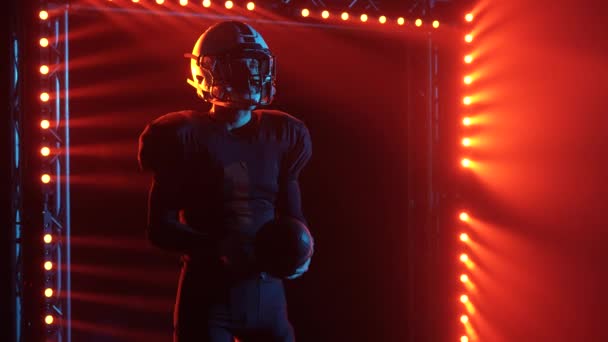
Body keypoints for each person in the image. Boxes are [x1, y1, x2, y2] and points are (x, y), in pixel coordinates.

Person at [137, 21, 312, 342]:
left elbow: (292, 215)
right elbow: (159, 228)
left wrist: (301, 249)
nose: (250, 76)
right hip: (210, 295)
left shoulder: (283, 134)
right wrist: (216, 246)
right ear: (208, 71)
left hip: (267, 292)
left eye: (255, 65)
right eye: (238, 66)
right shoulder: (182, 136)